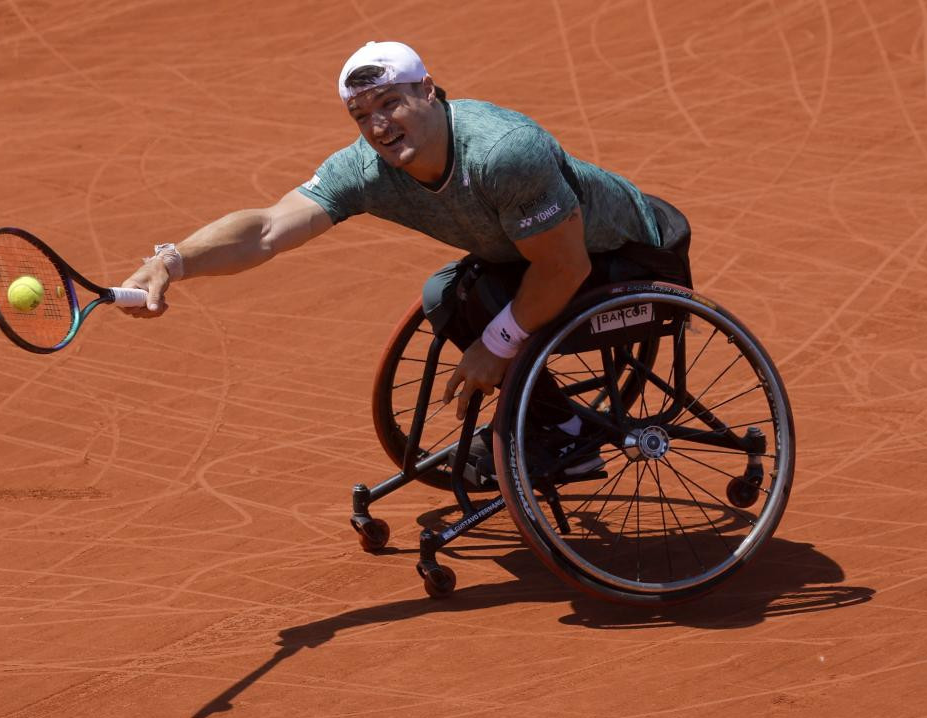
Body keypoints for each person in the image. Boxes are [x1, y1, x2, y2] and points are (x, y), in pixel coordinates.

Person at [119, 41, 691, 479]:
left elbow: (566, 269)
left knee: (493, 309)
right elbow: (267, 228)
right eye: (362, 115)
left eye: (391, 103)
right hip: (533, 256)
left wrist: (494, 347)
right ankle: (559, 426)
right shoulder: (368, 171)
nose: (378, 126)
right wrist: (174, 261)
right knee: (446, 295)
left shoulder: (502, 152)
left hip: (630, 260)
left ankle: (557, 431)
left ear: (430, 91)